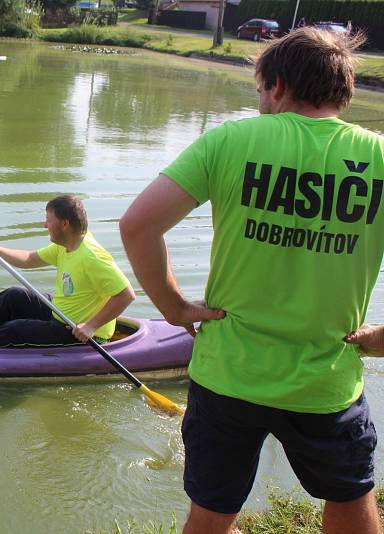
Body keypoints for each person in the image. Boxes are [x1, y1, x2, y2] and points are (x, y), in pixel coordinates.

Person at [119, 28, 383, 534]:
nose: (260, 103)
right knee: (349, 502)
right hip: (326, 381)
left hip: (227, 375)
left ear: (278, 85)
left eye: (261, 91)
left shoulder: (231, 140)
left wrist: (175, 308)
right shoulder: (380, 157)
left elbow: (137, 225)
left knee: (212, 514)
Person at [0, 194, 134, 347]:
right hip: (60, 312)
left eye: (48, 220)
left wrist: (91, 327)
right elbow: (30, 259)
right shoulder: (67, 244)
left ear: (64, 224)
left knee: (15, 329)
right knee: (14, 296)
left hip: (78, 333)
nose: (44, 225)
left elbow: (126, 294)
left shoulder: (92, 257)